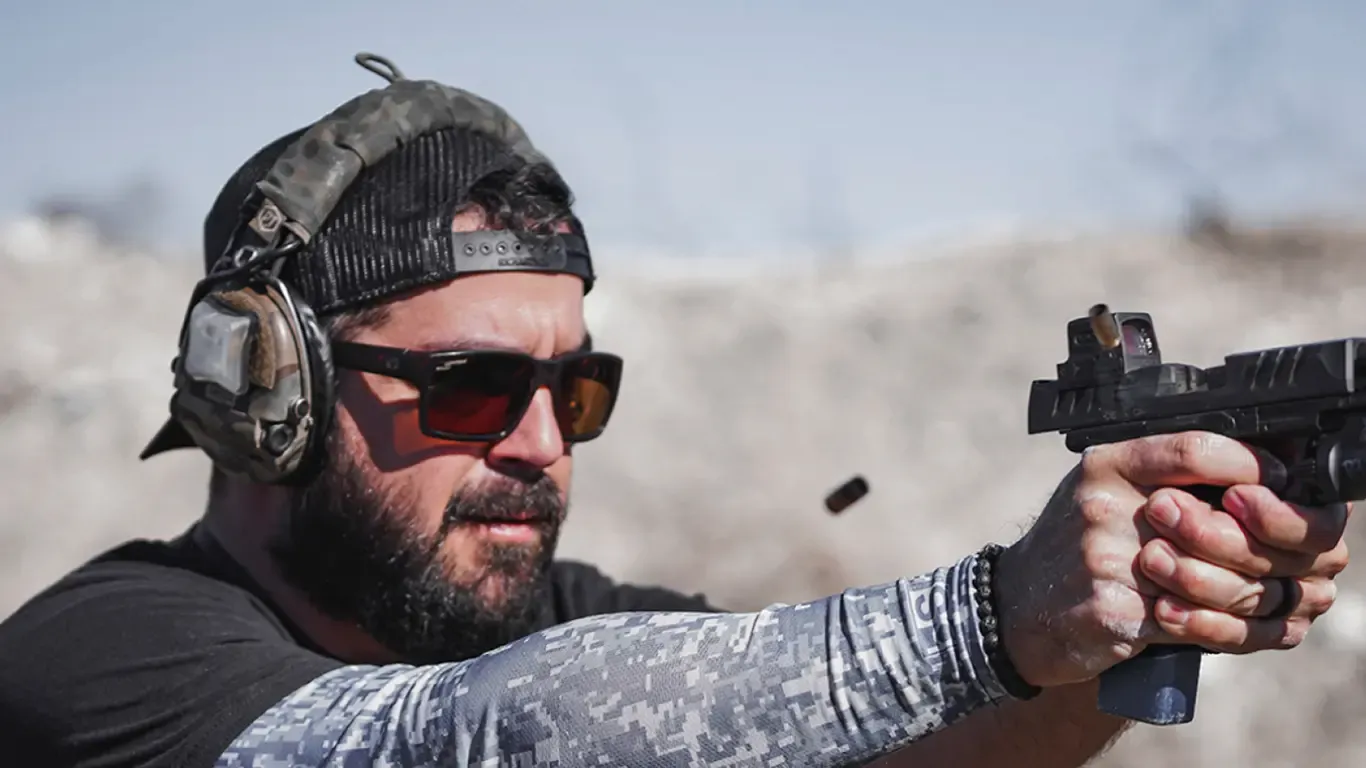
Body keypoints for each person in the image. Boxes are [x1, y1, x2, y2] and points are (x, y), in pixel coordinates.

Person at [0, 56, 1350, 768]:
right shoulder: (97, 664)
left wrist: (1104, 633)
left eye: (572, 389)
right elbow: (468, 740)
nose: (540, 444)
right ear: (270, 394)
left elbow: (889, 759)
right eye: (473, 387)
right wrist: (987, 617)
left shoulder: (567, 622)